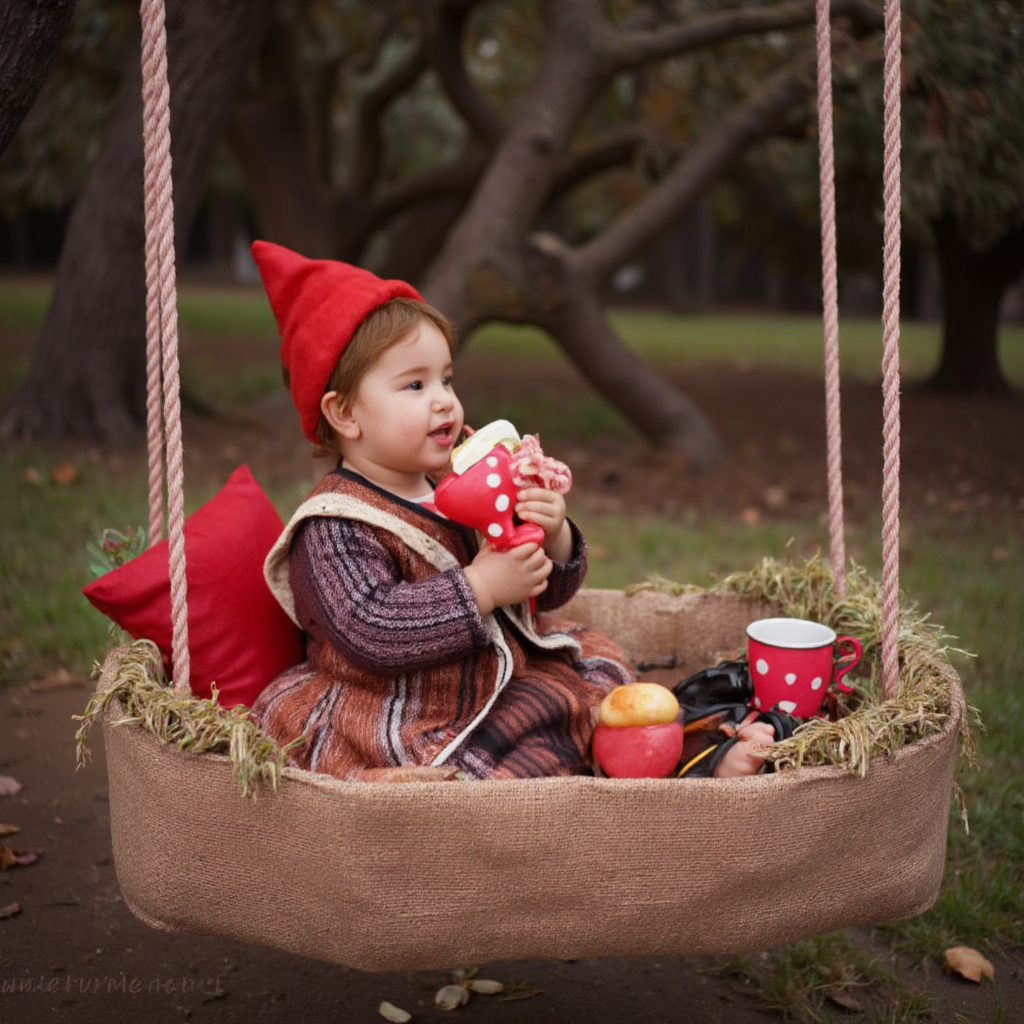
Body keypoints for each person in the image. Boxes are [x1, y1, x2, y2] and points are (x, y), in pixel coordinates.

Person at [249, 240, 771, 781]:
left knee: (600, 679)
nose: (444, 400)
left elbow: (540, 594)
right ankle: (598, 780)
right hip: (400, 708)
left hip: (491, 675)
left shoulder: (459, 483)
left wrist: (551, 536)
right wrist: (482, 587)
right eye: (415, 385)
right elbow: (370, 629)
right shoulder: (334, 524)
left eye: (446, 379)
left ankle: (696, 754)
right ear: (345, 414)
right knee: (522, 756)